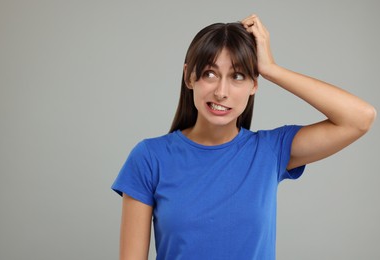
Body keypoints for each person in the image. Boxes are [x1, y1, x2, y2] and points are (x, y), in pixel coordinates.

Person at [112, 14, 376, 260]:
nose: (222, 91)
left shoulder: (270, 151)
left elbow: (360, 118)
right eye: (210, 74)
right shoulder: (149, 158)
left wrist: (271, 69)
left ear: (254, 84)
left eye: (238, 76)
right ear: (189, 77)